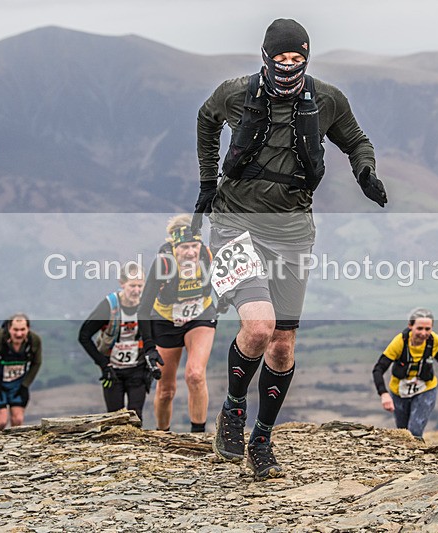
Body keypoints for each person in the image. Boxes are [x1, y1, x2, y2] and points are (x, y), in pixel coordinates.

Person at [192, 18, 388, 479]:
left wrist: (365, 173)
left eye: (296, 59)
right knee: (258, 327)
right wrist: (206, 181)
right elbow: (205, 119)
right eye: (279, 59)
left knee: (282, 345)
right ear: (265, 57)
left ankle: (261, 437)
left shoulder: (326, 99)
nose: (287, 67)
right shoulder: (235, 93)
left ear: (306, 57)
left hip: (293, 231)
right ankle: (234, 409)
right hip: (234, 223)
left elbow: (356, 140)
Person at [137, 214, 218, 433]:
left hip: (199, 316)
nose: (191, 252)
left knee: (195, 374)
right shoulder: (163, 265)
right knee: (166, 389)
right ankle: (163, 434)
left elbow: (224, 280)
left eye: (195, 245)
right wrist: (149, 347)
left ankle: (198, 435)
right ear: (175, 246)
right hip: (165, 321)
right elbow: (143, 308)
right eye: (185, 247)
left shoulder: (207, 256)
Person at [78, 261, 163, 425]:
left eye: (140, 286)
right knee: (114, 419)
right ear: (122, 283)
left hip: (138, 369)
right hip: (113, 370)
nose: (137, 291)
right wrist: (103, 364)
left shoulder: (148, 307)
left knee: (135, 417)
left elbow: (155, 335)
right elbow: (84, 335)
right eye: (132, 286)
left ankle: (136, 450)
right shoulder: (109, 306)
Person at [372, 308, 438, 440]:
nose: (423, 333)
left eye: (428, 329)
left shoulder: (434, 340)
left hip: (426, 388)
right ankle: (406, 458)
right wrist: (384, 394)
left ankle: (418, 458)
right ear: (410, 326)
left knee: (415, 430)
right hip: (399, 391)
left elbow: (437, 352)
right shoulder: (399, 343)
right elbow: (378, 369)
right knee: (403, 432)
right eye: (419, 328)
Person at [0, 313, 42, 431]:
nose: (19, 334)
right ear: (9, 328)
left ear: (28, 328)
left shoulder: (34, 341)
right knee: (1, 421)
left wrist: (25, 385)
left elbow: (36, 363)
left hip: (18, 382)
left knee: (17, 419)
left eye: (22, 330)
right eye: (15, 330)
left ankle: (17, 447)